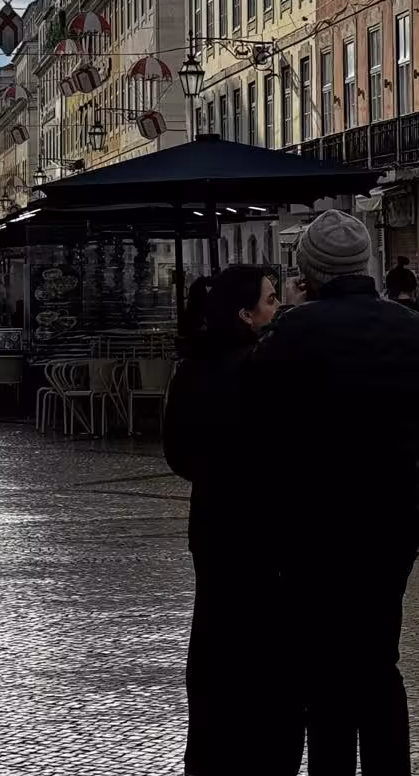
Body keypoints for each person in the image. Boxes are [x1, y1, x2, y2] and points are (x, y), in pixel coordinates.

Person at [252, 210, 419, 776]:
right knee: (378, 662)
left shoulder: (290, 334)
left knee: (323, 668)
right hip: (391, 519)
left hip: (312, 526)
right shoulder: (413, 329)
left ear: (310, 271)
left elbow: (260, 431)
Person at [164, 265, 303, 776]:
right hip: (268, 527)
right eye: (270, 300)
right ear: (246, 314)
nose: (277, 306)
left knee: (216, 644)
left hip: (215, 523)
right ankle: (271, 755)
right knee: (272, 651)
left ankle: (210, 754)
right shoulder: (265, 367)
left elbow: (177, 454)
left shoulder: (191, 368)